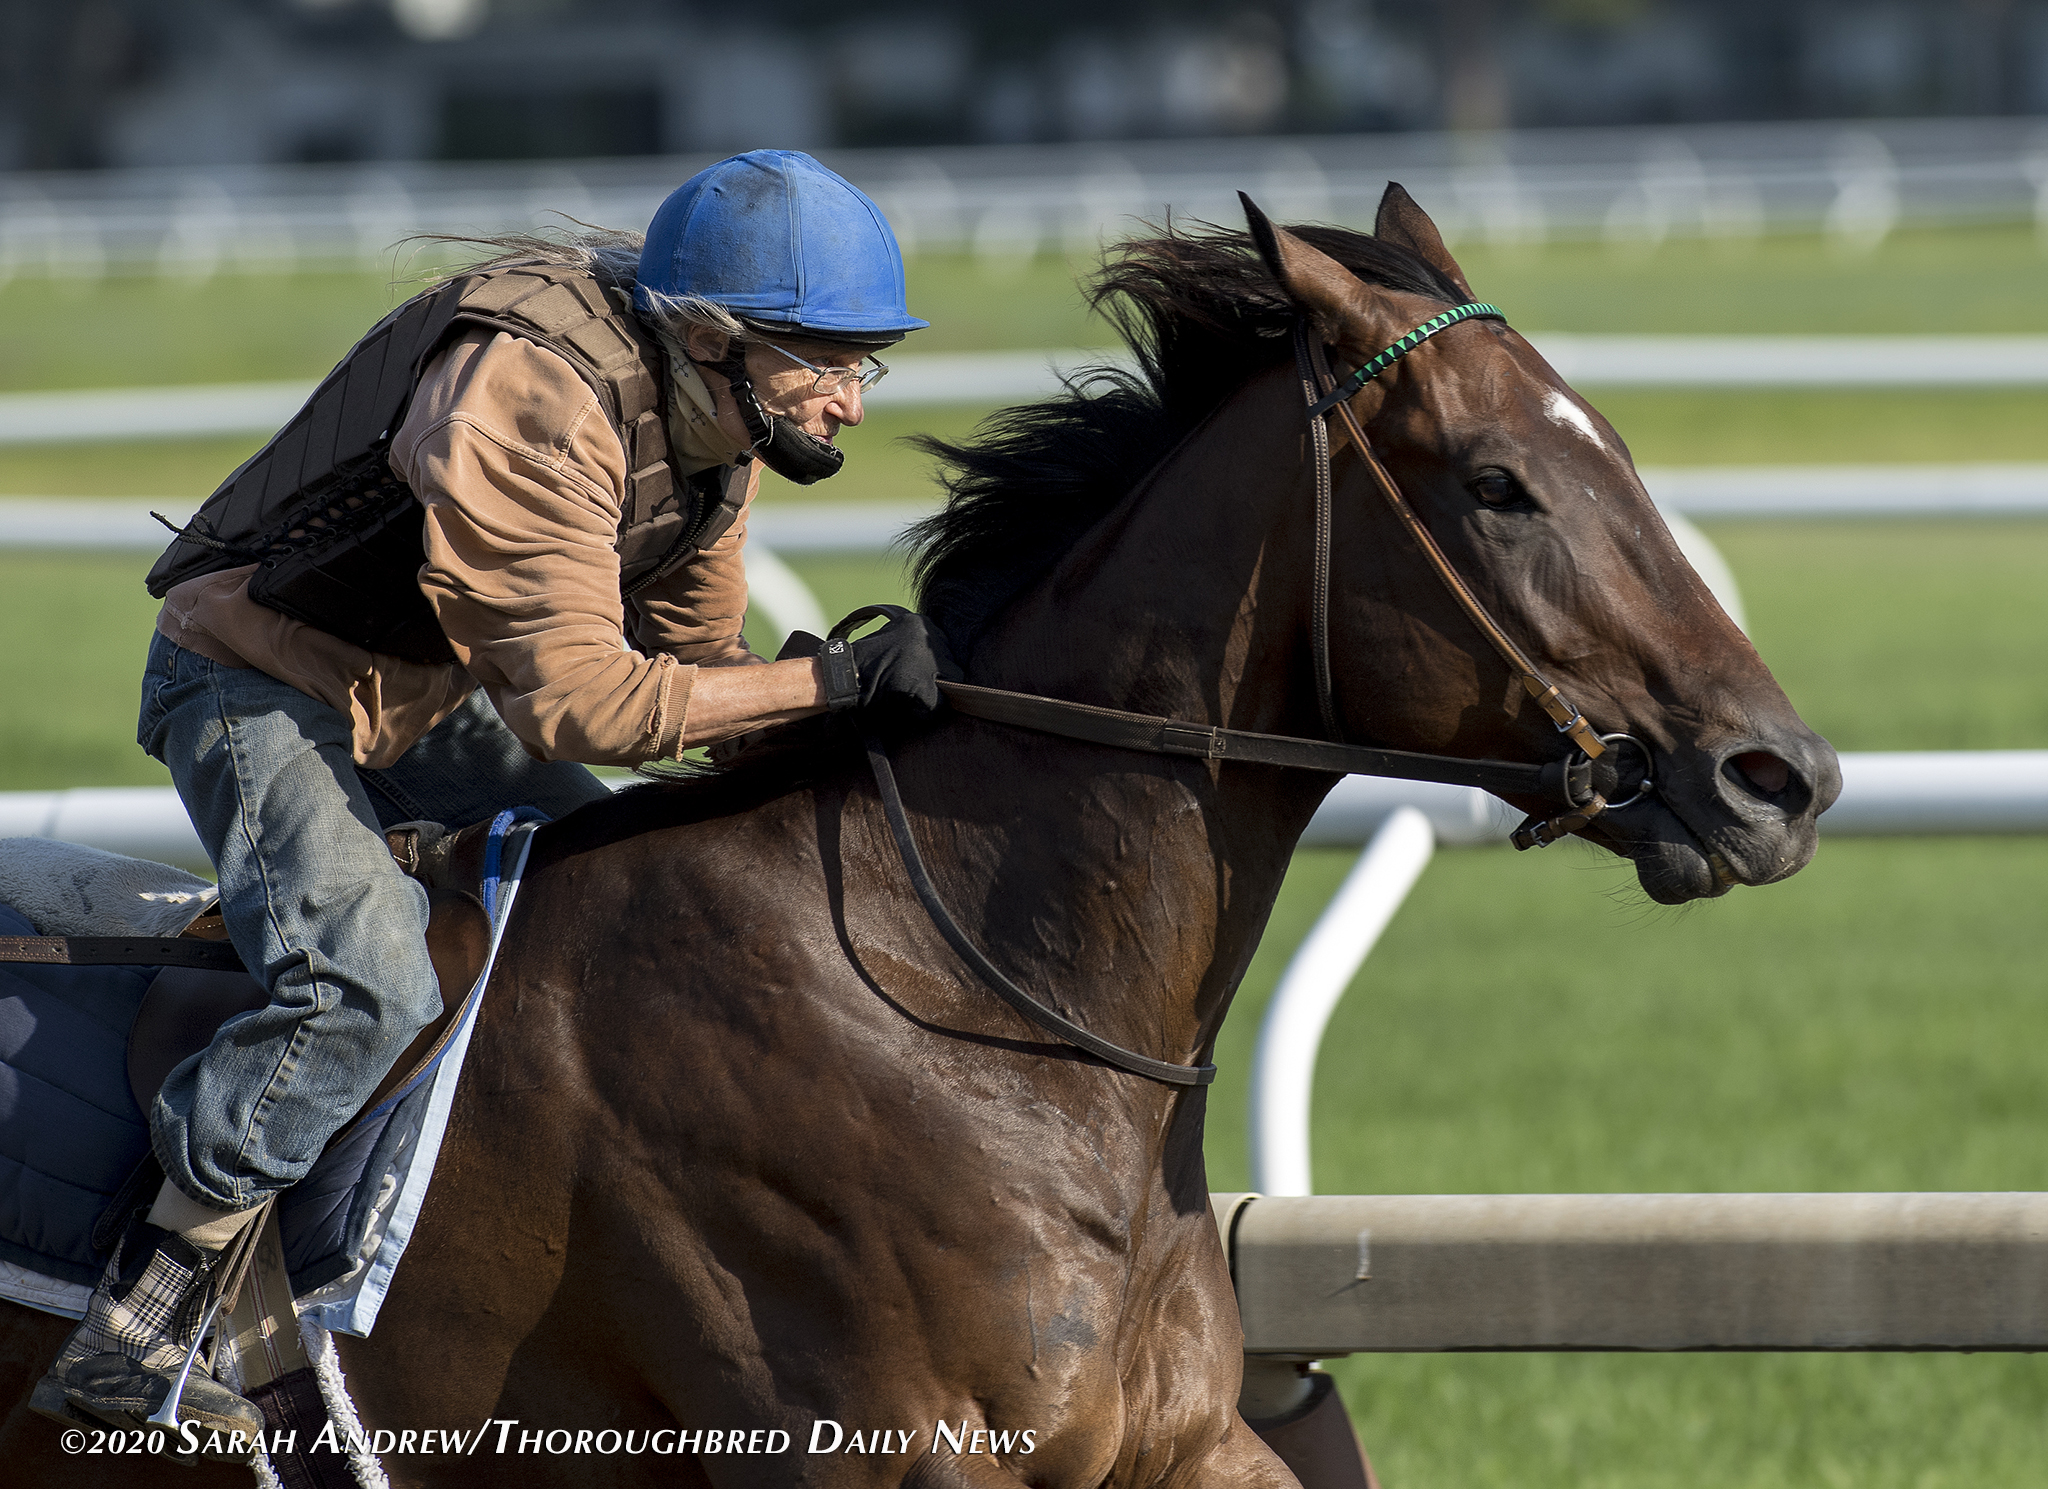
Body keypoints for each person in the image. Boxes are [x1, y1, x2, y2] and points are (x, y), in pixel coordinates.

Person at [34, 149, 958, 1449]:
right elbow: (587, 709)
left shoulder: (722, 431)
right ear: (708, 334)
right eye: (828, 360)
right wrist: (822, 691)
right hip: (251, 688)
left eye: (868, 362)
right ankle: (142, 1319)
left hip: (425, 693)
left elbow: (695, 683)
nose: (852, 402)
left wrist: (847, 710)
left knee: (631, 913)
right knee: (364, 982)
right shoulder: (526, 395)